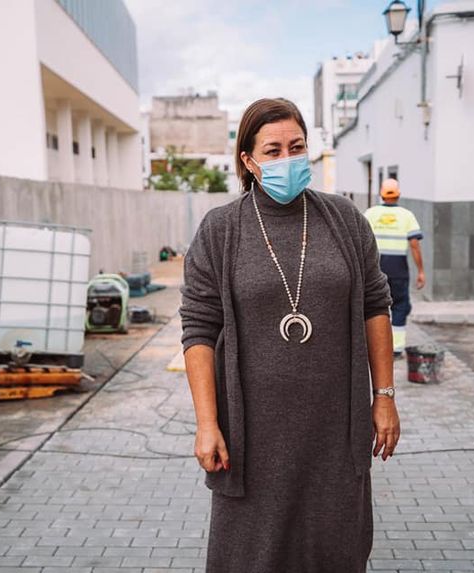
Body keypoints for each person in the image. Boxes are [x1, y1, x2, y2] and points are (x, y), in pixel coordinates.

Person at [179, 98, 401, 572]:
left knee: (334, 550)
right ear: (249, 160)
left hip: (334, 431)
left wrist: (384, 396)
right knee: (251, 555)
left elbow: (375, 307)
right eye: (273, 150)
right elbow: (198, 328)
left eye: (296, 148)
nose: (287, 160)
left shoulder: (344, 221)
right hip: (250, 435)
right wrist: (206, 423)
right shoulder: (221, 230)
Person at [363, 179, 425, 356]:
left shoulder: (370, 214)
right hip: (399, 270)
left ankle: (373, 347)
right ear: (398, 194)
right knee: (399, 306)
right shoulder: (407, 215)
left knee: (373, 306)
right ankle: (396, 349)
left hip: (375, 269)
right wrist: (420, 271)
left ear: (381, 193)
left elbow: (361, 242)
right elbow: (414, 245)